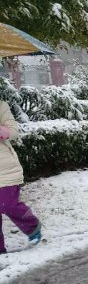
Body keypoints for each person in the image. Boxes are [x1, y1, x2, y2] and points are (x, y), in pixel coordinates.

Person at [0, 100, 42, 255]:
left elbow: (13, 131)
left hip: (4, 169)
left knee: (7, 205)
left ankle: (32, 226)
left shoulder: (0, 106)